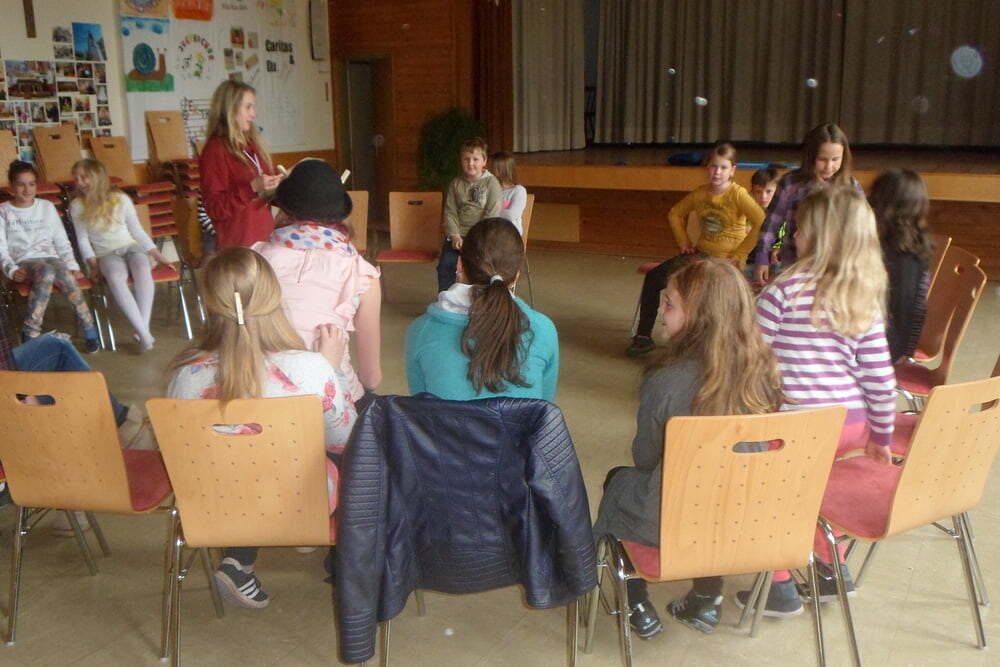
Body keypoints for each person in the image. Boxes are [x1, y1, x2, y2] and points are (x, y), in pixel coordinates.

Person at [594, 258, 784, 639]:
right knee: (712, 494)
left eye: (669, 304)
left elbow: (645, 458)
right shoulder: (764, 371)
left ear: (698, 318)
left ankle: (636, 603)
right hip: (743, 517)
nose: (661, 313)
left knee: (619, 480)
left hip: (675, 518)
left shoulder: (666, 380)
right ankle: (706, 599)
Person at [166, 247, 356, 608]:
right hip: (300, 501)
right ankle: (354, 562)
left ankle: (240, 559)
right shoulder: (310, 368)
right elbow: (346, 441)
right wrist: (332, 369)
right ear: (275, 298)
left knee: (244, 464)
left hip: (214, 500)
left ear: (208, 303)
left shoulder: (184, 374)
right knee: (359, 453)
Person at [751, 185, 895, 616]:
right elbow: (880, 378)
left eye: (800, 230)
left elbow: (752, 355)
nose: (795, 236)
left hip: (794, 422)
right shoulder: (862, 297)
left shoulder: (783, 291)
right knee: (817, 491)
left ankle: (779, 587)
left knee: (773, 498)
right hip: (848, 421)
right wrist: (882, 435)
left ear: (820, 237)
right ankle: (833, 570)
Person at [252, 158, 381, 406]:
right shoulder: (362, 274)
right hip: (331, 400)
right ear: (340, 214)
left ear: (285, 209)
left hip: (260, 397)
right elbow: (371, 378)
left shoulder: (253, 259)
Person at [626, 143, 765, 357]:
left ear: (733, 170)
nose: (717, 172)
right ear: (707, 168)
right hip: (701, 254)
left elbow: (761, 221)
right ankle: (643, 336)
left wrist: (740, 254)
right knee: (654, 278)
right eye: (713, 166)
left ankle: (708, 345)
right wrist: (684, 242)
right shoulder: (700, 194)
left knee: (706, 296)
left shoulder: (738, 195)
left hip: (727, 260)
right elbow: (675, 214)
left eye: (723, 168)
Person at [407, 217, 558, 401]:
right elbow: (544, 407)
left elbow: (421, 406)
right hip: (520, 422)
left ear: (459, 265)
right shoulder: (543, 329)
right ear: (516, 277)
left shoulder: (421, 330)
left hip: (445, 422)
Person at [69, 159, 172, 352]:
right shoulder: (77, 206)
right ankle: (145, 335)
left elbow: (137, 231)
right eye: (76, 178)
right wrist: (93, 265)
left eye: (84, 177)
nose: (80, 182)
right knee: (116, 277)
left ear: (97, 176)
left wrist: (157, 255)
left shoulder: (120, 198)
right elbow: (83, 240)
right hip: (106, 254)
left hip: (130, 246)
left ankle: (143, 329)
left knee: (142, 267)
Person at [0, 161, 99, 352]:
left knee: (65, 275)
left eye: (32, 184)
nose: (27, 190)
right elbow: (1, 249)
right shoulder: (3, 211)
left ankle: (89, 327)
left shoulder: (46, 207)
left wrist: (73, 266)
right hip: (24, 262)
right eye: (21, 184)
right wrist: (11, 270)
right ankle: (31, 332)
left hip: (51, 258)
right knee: (46, 271)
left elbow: (61, 241)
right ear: (12, 186)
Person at [752, 123, 862, 285]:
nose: (829, 166)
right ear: (810, 157)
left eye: (835, 159)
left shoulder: (851, 186)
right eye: (822, 159)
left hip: (835, 268)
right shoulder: (790, 183)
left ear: (844, 157)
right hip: (795, 263)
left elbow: (861, 229)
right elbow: (772, 223)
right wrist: (762, 257)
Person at [199, 80, 281, 250]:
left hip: (264, 238)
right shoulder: (215, 149)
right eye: (248, 107)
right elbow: (214, 208)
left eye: (253, 107)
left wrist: (277, 185)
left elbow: (264, 195)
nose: (253, 114)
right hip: (238, 246)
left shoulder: (253, 144)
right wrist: (251, 187)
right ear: (231, 109)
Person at [869, 169, 932, 362]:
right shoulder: (914, 245)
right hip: (894, 343)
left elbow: (897, 314)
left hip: (884, 350)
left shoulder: (897, 257)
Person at [437, 137, 502, 292]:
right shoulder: (456, 183)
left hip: (482, 236)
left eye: (475, 159)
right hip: (458, 236)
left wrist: (473, 239)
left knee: (480, 269)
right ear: (461, 161)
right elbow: (450, 212)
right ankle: (446, 299)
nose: (470, 163)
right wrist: (455, 235)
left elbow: (491, 215)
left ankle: (481, 300)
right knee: (446, 265)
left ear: (484, 161)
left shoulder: (491, 183)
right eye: (466, 159)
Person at [491, 152, 528, 236]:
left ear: (502, 170)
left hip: (509, 235)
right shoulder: (489, 189)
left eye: (492, 168)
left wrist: (489, 210)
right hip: (490, 232)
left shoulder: (518, 191)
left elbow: (511, 215)